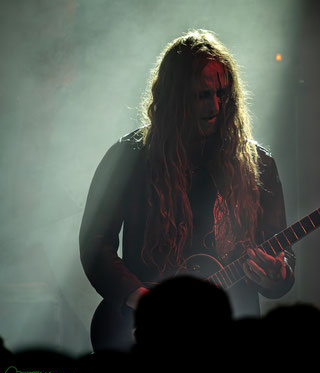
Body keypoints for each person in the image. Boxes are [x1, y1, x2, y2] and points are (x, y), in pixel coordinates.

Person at [79, 29, 295, 351]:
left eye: (223, 94)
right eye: (202, 95)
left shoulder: (257, 164)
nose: (216, 105)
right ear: (174, 97)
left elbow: (281, 252)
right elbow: (96, 244)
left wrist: (278, 274)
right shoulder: (130, 156)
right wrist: (143, 300)